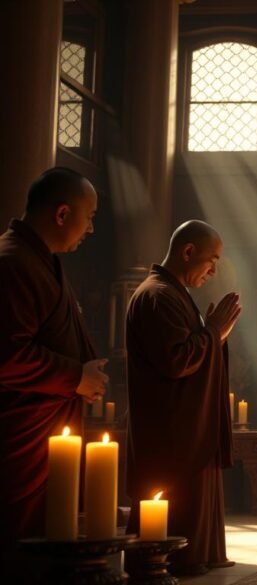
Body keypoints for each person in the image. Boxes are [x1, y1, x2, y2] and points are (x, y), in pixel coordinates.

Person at [0, 168, 107, 557]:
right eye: (90, 216)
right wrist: (76, 376)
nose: (91, 228)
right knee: (19, 543)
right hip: (20, 434)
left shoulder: (40, 260)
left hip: (48, 430)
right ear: (62, 214)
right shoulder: (12, 262)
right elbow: (7, 355)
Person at [125, 220, 241, 575]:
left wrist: (212, 335)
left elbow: (191, 351)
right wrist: (212, 332)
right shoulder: (157, 296)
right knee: (172, 511)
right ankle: (170, 561)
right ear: (188, 251)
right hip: (171, 431)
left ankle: (198, 556)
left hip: (188, 425)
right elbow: (176, 361)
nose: (214, 269)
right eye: (212, 259)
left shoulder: (174, 294)